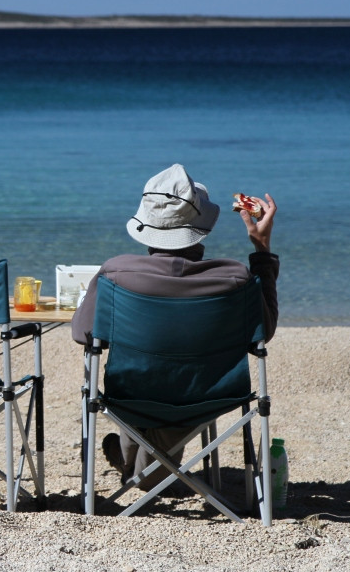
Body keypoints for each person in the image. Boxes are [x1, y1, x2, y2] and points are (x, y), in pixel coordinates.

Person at [72, 163, 278, 491]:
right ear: (202, 226)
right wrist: (262, 249)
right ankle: (133, 465)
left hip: (133, 392)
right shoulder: (235, 277)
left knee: (138, 386)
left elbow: (82, 333)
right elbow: (262, 334)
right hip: (209, 395)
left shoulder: (116, 274)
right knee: (168, 394)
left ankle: (130, 467)